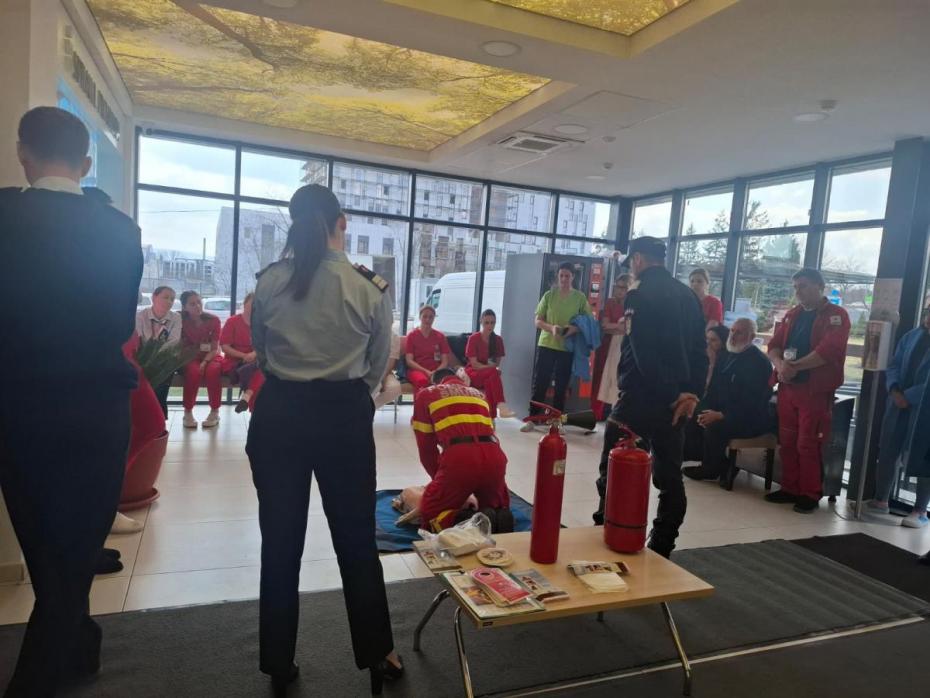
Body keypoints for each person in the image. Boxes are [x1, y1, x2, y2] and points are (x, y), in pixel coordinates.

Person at [0, 106, 142, 697]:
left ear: (23, 154)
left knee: (43, 543)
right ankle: (77, 644)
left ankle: (48, 670)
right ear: (85, 163)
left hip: (19, 406)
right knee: (77, 544)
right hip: (97, 406)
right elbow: (120, 322)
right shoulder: (120, 230)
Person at [245, 184, 402, 696]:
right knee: (356, 540)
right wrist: (349, 397)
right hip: (342, 420)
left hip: (280, 418)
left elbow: (263, 354)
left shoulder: (269, 283)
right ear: (342, 221)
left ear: (294, 223)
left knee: (280, 541)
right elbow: (375, 367)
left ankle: (277, 662)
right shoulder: (367, 287)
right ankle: (378, 654)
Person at [592, 237, 707, 558]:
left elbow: (644, 356)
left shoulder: (639, 294)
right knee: (670, 477)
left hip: (640, 399)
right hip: (678, 403)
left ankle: (608, 532)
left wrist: (671, 395)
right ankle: (661, 546)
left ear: (639, 259)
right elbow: (701, 351)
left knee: (614, 469)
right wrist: (691, 394)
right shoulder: (687, 295)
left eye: (632, 262)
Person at [766, 268, 850, 514]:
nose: (798, 292)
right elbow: (774, 346)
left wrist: (795, 367)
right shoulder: (793, 314)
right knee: (787, 441)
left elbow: (828, 350)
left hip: (814, 390)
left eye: (803, 286)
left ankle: (810, 492)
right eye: (795, 287)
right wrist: (781, 365)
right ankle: (790, 487)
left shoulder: (836, 315)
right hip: (788, 387)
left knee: (808, 442)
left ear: (819, 286)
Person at [409, 368, 512, 532]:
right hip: (495, 456)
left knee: (431, 510)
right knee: (495, 500)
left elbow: (427, 450)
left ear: (435, 382)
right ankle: (498, 514)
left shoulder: (426, 394)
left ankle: (464, 520)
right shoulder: (479, 395)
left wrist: (439, 481)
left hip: (460, 459)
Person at [861, 301, 930, 527]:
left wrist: (908, 396)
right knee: (888, 450)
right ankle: (881, 499)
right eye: (927, 311)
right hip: (897, 403)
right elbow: (894, 366)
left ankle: (920, 510)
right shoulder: (912, 336)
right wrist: (894, 390)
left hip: (923, 408)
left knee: (923, 457)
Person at [683, 319, 774, 486]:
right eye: (732, 330)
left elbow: (753, 401)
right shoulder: (726, 355)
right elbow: (714, 390)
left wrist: (721, 415)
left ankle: (711, 469)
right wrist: (703, 408)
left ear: (751, 336)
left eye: (739, 332)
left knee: (715, 426)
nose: (733, 335)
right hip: (723, 410)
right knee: (693, 414)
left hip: (750, 418)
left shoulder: (759, 362)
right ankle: (714, 461)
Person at [523, 261, 593, 432]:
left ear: (573, 277)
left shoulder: (580, 298)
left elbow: (588, 322)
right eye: (561, 275)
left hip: (567, 347)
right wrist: (552, 328)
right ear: (557, 276)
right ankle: (533, 418)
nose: (564, 279)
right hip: (547, 344)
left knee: (562, 385)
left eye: (567, 276)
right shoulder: (549, 295)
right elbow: (537, 321)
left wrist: (572, 330)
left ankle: (556, 421)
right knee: (540, 382)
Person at [136, 285, 182, 416]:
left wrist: (158, 355)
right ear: (153, 297)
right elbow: (139, 339)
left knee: (163, 374)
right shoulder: (140, 316)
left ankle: (158, 414)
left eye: (172, 299)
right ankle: (151, 413)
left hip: (165, 358)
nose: (169, 301)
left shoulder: (176, 317)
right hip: (143, 357)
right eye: (165, 297)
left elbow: (173, 342)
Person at [179, 290, 222, 429]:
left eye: (199, 302)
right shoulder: (180, 320)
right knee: (193, 372)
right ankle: (188, 412)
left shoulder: (214, 320)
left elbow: (214, 348)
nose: (197, 306)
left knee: (213, 371)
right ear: (184, 307)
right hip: (190, 357)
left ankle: (215, 411)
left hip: (211, 356)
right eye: (192, 304)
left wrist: (205, 361)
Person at [220, 292, 265, 413]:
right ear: (245, 304)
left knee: (262, 371)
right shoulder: (232, 322)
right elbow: (224, 347)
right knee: (257, 376)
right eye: (252, 303)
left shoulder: (262, 324)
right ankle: (251, 408)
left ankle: (247, 397)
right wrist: (244, 355)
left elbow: (264, 345)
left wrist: (254, 354)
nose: (254, 307)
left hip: (255, 361)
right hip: (234, 361)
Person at [593, 274, 630, 418]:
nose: (619, 290)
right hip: (607, 346)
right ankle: (598, 413)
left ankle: (616, 413)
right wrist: (619, 327)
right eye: (617, 286)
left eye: (623, 287)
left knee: (620, 380)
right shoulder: (610, 302)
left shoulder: (632, 304)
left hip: (625, 347)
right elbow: (605, 326)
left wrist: (616, 327)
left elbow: (629, 328)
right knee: (602, 380)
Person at [464, 309, 513, 419]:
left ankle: (491, 417)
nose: (490, 326)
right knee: (493, 373)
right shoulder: (473, 338)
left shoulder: (498, 340)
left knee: (490, 380)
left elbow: (496, 363)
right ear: (481, 322)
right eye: (486, 323)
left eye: (492, 323)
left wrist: (491, 369)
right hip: (473, 373)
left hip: (488, 374)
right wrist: (490, 368)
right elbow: (475, 365)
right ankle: (501, 406)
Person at [404, 305, 450, 394]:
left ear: (434, 318)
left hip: (437, 370)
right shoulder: (412, 336)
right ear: (420, 317)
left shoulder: (440, 336)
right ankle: (421, 403)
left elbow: (445, 362)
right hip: (417, 370)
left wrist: (436, 372)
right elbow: (409, 361)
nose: (427, 319)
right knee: (422, 381)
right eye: (425, 316)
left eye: (430, 317)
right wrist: (426, 371)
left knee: (444, 383)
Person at [373, 331, 403, 409]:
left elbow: (391, 362)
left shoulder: (394, 337)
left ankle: (369, 409)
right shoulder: (368, 331)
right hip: (367, 371)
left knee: (395, 388)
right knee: (371, 387)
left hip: (385, 372)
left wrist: (382, 379)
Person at [704, 325, 730, 392]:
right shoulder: (702, 356)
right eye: (706, 338)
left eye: (713, 340)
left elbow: (707, 386)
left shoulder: (727, 362)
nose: (707, 342)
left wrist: (712, 363)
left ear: (723, 343)